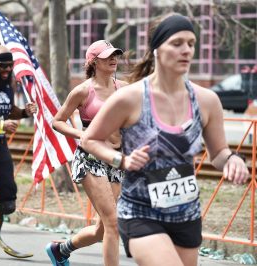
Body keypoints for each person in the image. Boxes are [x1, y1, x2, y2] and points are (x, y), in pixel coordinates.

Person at [81, 14, 249, 266]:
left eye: (191, 44)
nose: (187, 50)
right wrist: (122, 160)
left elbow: (219, 153)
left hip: (186, 213)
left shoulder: (206, 101)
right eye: (177, 43)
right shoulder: (130, 98)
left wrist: (232, 160)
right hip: (141, 211)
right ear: (157, 49)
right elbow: (89, 140)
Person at [46, 40, 128, 266]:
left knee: (103, 229)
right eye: (107, 56)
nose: (114, 59)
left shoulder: (125, 87)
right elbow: (57, 121)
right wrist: (79, 135)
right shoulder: (83, 91)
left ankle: (61, 249)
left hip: (115, 160)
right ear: (93, 61)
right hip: (91, 159)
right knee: (113, 222)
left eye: (116, 55)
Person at [0, 45, 36, 237]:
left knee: (9, 192)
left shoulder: (10, 81)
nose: (7, 70)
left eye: (10, 66)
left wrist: (25, 112)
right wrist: (0, 124)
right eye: (3, 66)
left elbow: (9, 110)